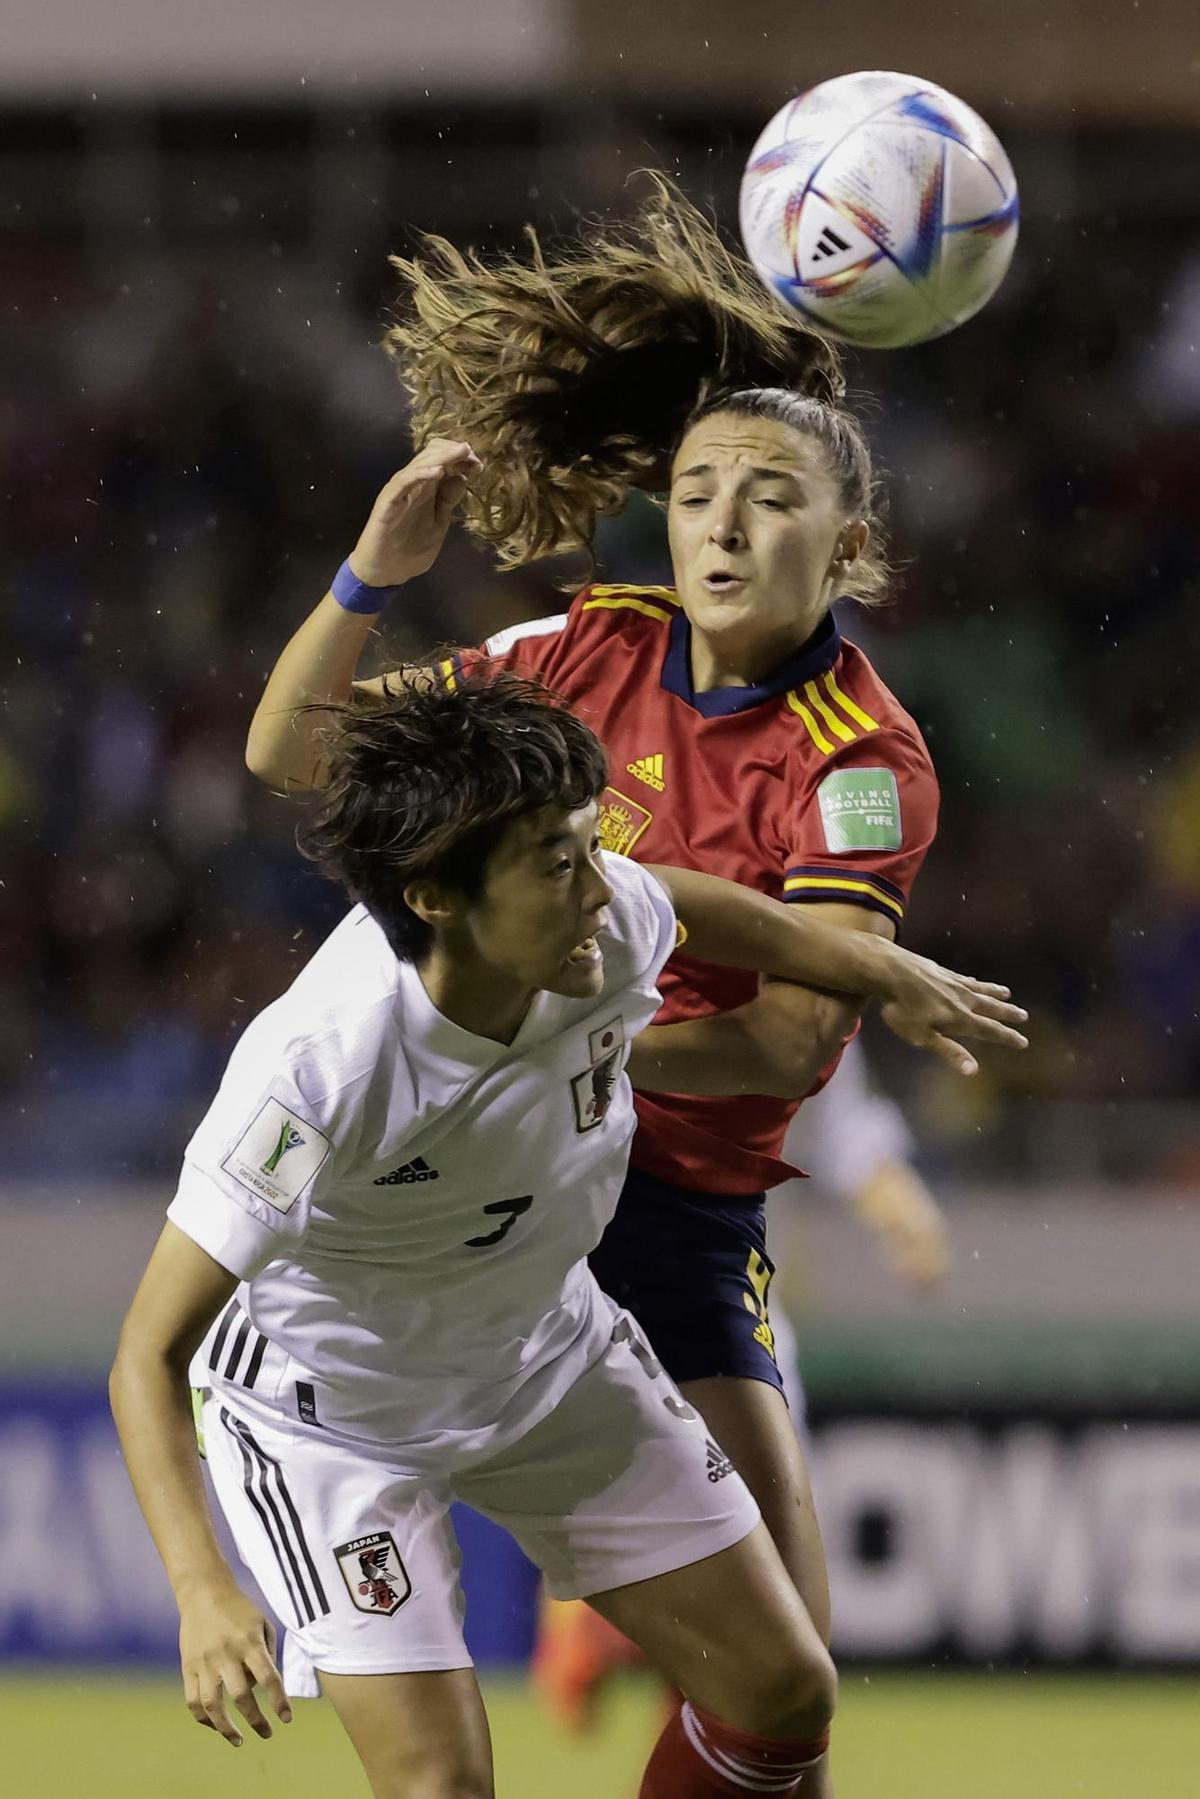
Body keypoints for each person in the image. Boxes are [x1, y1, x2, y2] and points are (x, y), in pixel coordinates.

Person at [243, 178, 956, 1791]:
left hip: (678, 1214)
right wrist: (368, 574)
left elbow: (779, 1043)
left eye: (768, 497)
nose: (717, 522)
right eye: (696, 488)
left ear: (845, 541)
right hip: (477, 1188)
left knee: (785, 1707)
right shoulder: (582, 650)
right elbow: (290, 747)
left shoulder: (859, 765)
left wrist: (558, 1042)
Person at [110, 671, 1026, 1799]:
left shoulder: (599, 923)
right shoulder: (320, 1072)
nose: (602, 886)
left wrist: (875, 965)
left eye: (592, 844)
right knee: (443, 1785)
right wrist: (202, 1585)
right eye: (559, 862)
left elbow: (687, 900)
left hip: (547, 1356)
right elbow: (147, 1353)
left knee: (786, 1691)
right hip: (336, 1418)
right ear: (440, 896)